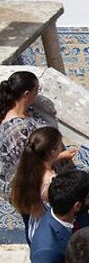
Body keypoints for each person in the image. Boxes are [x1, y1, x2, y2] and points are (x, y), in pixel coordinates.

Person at [10, 127, 77, 244]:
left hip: (33, 224)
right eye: (59, 145)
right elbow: (62, 212)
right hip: (46, 233)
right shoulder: (51, 181)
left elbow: (43, 164)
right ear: (52, 152)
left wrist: (58, 157)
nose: (61, 147)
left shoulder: (27, 167)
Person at [0, 71, 48, 201]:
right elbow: (27, 165)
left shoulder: (11, 111)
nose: (38, 93)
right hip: (24, 191)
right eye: (37, 90)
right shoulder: (19, 131)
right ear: (27, 94)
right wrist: (59, 156)